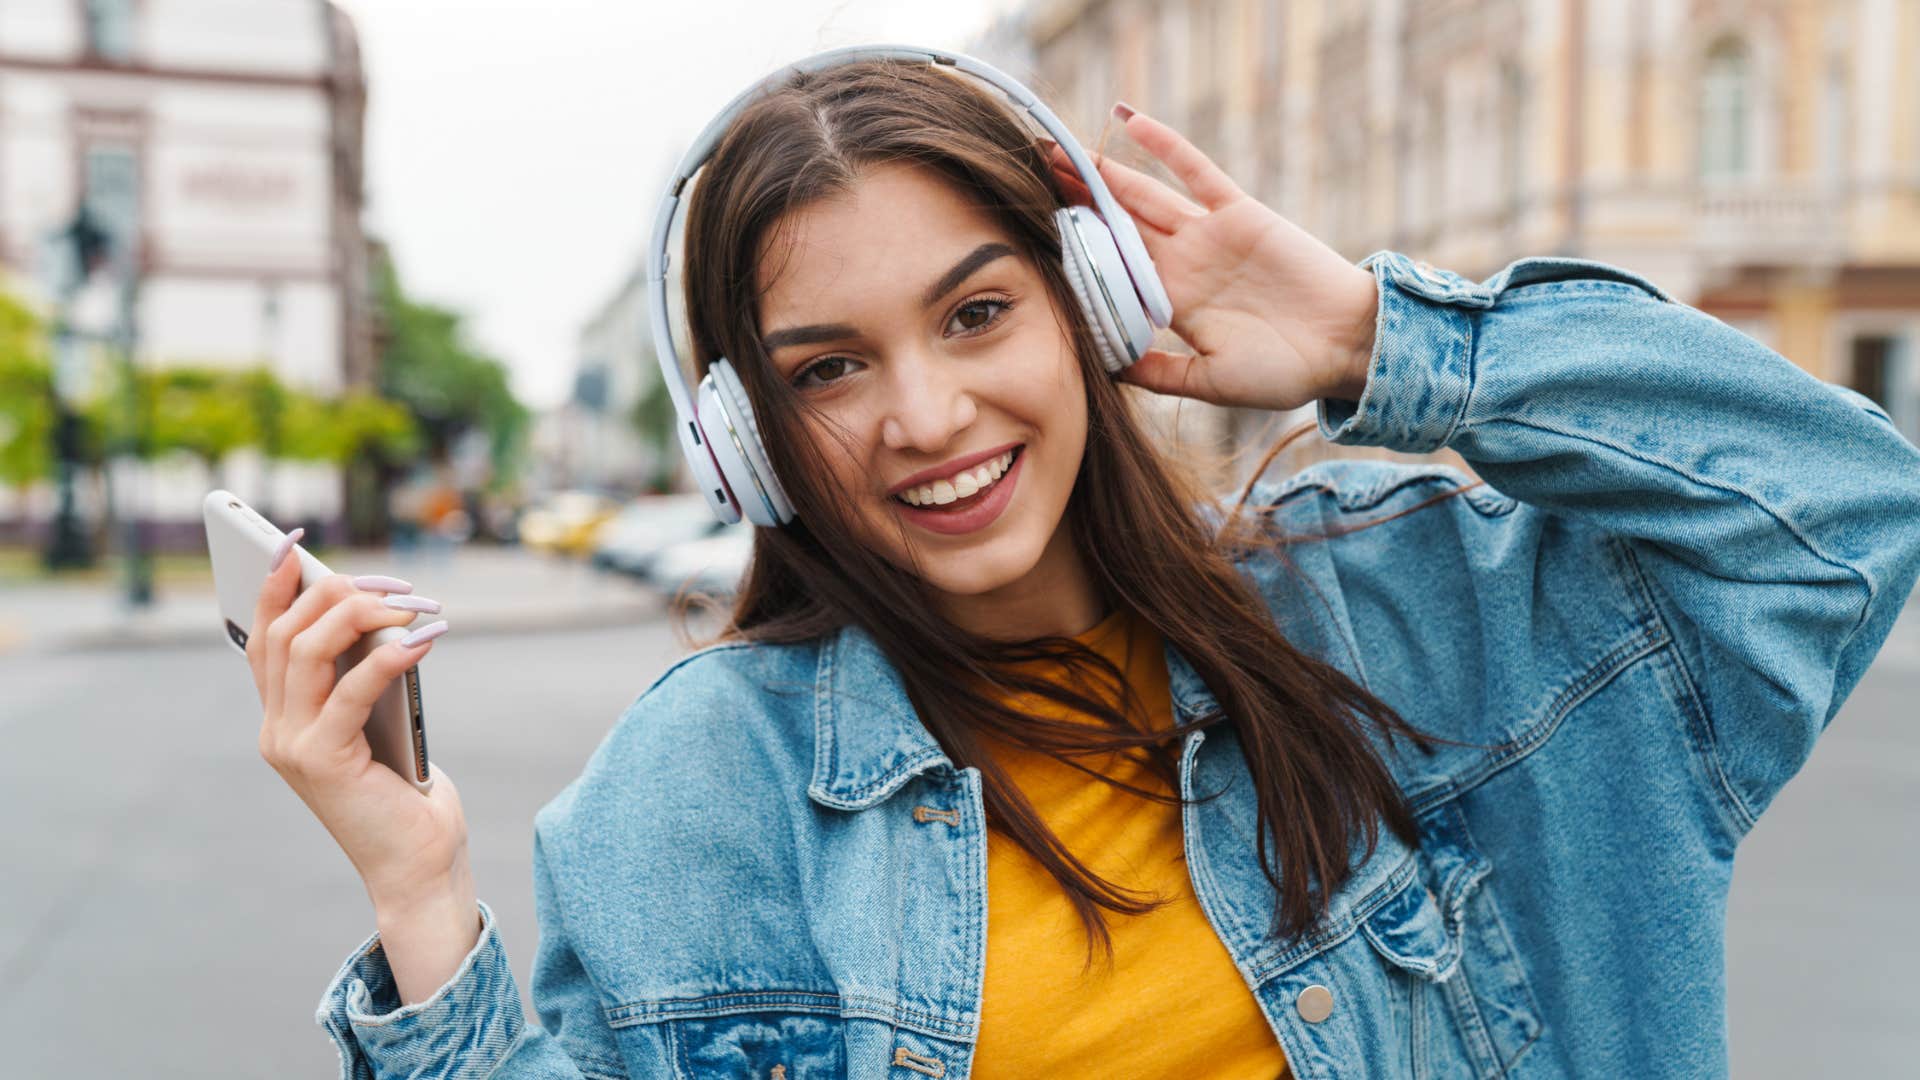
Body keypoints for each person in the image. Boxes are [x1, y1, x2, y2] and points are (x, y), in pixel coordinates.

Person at [245, 50, 1920, 1080]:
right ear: (746, 443)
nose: (924, 414)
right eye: (826, 369)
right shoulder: (691, 795)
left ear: (1096, 307)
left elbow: (1838, 507)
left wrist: (1371, 335)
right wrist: (420, 899)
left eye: (979, 313)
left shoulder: (1414, 628)